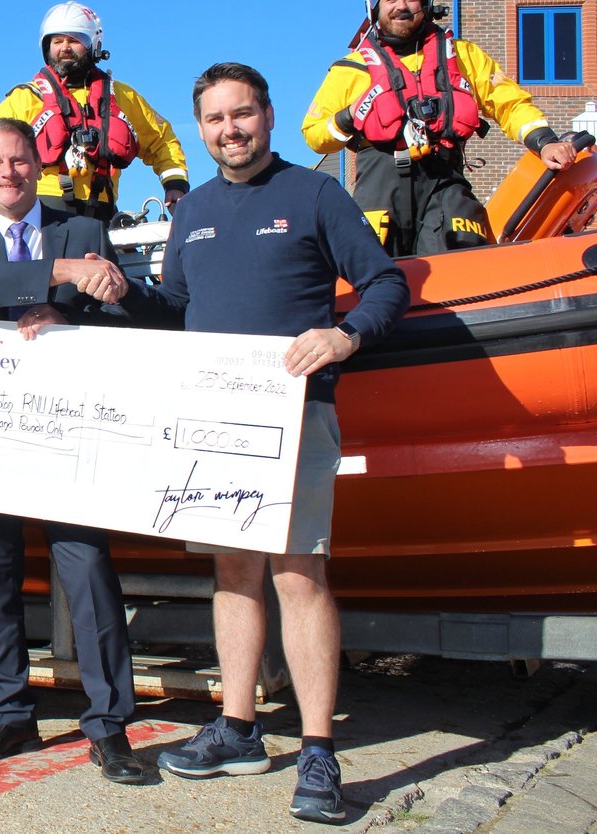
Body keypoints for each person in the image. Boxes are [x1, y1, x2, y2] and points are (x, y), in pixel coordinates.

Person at [155, 63, 409, 824]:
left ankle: (318, 748)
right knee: (233, 574)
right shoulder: (190, 211)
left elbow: (386, 283)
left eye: (242, 114)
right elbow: (171, 307)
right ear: (200, 130)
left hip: (294, 413)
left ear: (267, 116)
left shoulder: (315, 194)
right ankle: (237, 727)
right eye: (215, 119)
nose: (230, 130)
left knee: (300, 576)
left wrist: (344, 333)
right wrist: (106, 293)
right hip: (213, 418)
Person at [0, 117, 170, 785]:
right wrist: (60, 276)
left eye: (19, 160)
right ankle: (9, 712)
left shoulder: (87, 228)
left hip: (70, 433)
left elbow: (126, 313)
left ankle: (109, 725)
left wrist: (82, 309)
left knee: (89, 571)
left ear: (39, 163)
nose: (7, 172)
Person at [302, 0, 577, 257]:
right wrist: (347, 116)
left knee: (464, 254)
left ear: (427, 3)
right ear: (375, 8)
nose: (401, 6)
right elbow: (314, 134)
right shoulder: (351, 69)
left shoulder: (463, 57)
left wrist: (545, 141)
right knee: (370, 270)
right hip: (381, 186)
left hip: (445, 178)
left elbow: (509, 104)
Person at [0, 1, 189, 222]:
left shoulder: (122, 97)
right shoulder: (23, 99)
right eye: (57, 41)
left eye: (74, 40)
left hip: (103, 212)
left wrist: (175, 184)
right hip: (42, 213)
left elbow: (162, 140)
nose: (64, 47)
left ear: (94, 44)